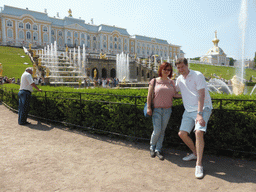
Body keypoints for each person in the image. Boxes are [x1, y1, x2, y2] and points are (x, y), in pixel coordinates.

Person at [175, 58, 212, 179]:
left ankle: (199, 164)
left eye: (182, 67)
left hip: (203, 108)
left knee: (199, 132)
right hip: (188, 110)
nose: (180, 69)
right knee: (182, 134)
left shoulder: (197, 75)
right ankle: (195, 153)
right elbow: (175, 92)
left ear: (187, 65)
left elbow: (202, 94)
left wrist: (200, 113)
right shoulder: (179, 79)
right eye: (178, 67)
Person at [147, 62, 180, 160]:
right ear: (161, 69)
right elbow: (149, 95)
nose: (167, 71)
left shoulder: (171, 82)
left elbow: (175, 95)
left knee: (162, 131)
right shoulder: (154, 81)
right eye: (165, 69)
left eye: (169, 70)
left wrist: (188, 95)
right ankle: (152, 147)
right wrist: (149, 107)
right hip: (157, 109)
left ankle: (158, 149)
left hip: (167, 110)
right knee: (157, 130)